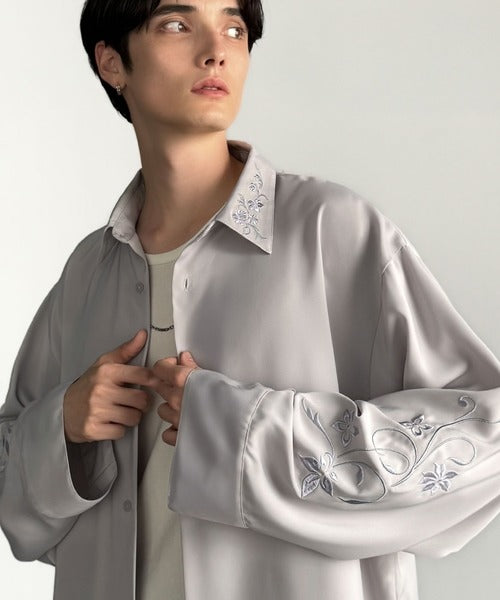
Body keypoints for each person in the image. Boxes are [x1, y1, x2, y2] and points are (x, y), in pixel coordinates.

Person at [1, 1, 500, 599]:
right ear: (112, 63)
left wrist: (245, 431)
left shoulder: (330, 230)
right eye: (177, 24)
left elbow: (483, 439)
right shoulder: (88, 272)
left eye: (234, 29)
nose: (216, 51)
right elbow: (10, 485)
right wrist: (62, 428)